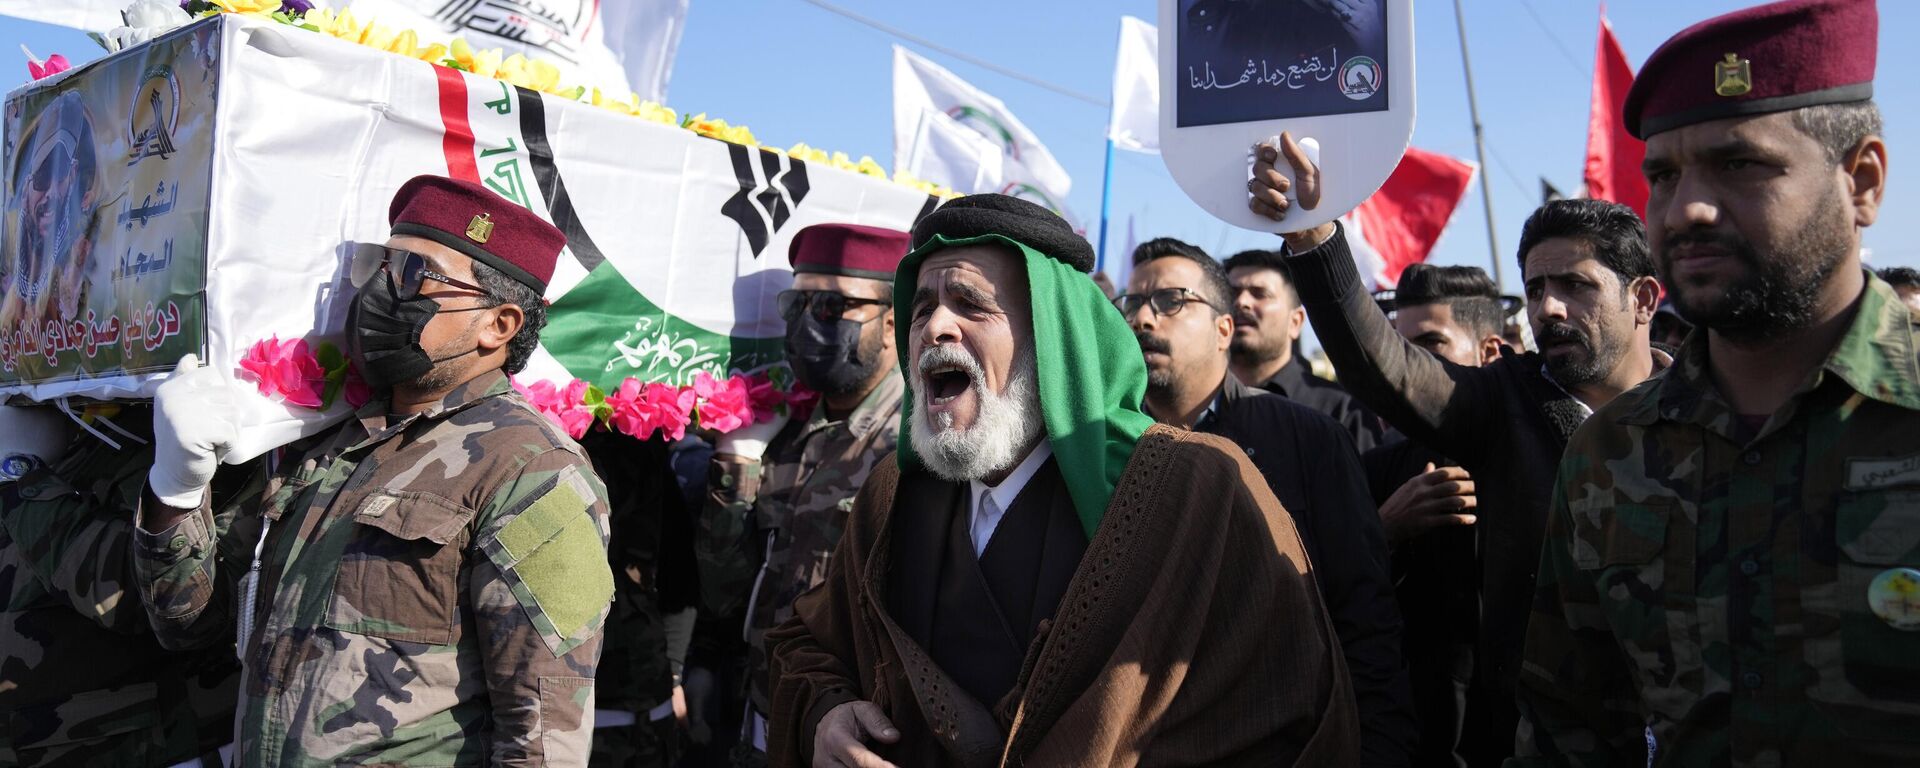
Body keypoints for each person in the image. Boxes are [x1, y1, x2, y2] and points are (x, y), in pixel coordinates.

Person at [767, 194, 1358, 766]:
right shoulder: (893, 493)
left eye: (971, 303)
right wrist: (828, 713)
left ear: (1055, 335)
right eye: (922, 309)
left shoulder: (1198, 489)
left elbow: (1285, 713)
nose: (935, 328)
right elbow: (812, 642)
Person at [1517, 0, 1913, 763]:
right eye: (1662, 175)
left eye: (1740, 164)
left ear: (1861, 181)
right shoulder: (1609, 455)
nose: (1686, 208)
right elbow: (1569, 732)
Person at [132, 175, 615, 766]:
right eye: (378, 265)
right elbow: (190, 625)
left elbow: (542, 740)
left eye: (415, 275)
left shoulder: (533, 470)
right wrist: (175, 492)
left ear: (498, 325)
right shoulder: (325, 446)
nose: (382, 288)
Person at [1247, 142, 1667, 765]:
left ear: (1644, 299)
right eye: (1536, 289)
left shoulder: (1703, 412)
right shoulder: (1503, 404)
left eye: (1576, 285)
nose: (1549, 308)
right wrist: (1314, 240)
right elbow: (1388, 368)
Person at [1124, 238, 1413, 767]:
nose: (1143, 318)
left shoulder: (1308, 439)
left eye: (1170, 301)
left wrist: (1377, 750)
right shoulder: (1108, 450)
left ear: (1223, 329)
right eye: (1133, 302)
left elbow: (1364, 614)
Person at [694, 222, 909, 765]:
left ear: (890, 323)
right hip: (756, 727)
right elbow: (726, 592)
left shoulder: (911, 452)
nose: (811, 323)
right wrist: (735, 466)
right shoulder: (782, 435)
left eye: (834, 308)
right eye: (798, 304)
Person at [0, 405, 246, 767]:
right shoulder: (65, 416)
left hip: (137, 744)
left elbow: (139, 593)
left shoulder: (184, 425)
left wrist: (19, 475)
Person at [1361, 264, 1507, 767]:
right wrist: (1385, 529)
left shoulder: (1545, 453)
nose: (1405, 364)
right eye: (1396, 346)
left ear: (1489, 352)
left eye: (1430, 343)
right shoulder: (1375, 468)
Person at [1225, 246, 1385, 451]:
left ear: (1295, 322)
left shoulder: (1342, 412)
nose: (1242, 302)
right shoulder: (1197, 405)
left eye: (1260, 294)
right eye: (1232, 293)